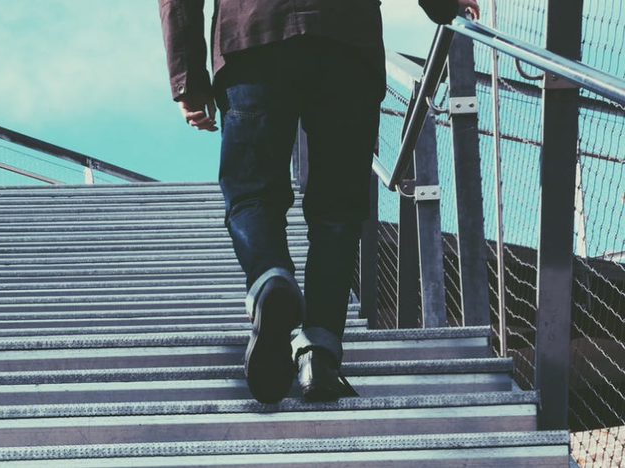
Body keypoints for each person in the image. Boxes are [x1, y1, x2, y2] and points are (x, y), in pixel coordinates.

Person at [159, 0, 480, 404]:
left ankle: (269, 280)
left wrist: (187, 75)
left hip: (252, 38)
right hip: (347, 38)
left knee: (252, 193)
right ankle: (318, 355)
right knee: (338, 211)